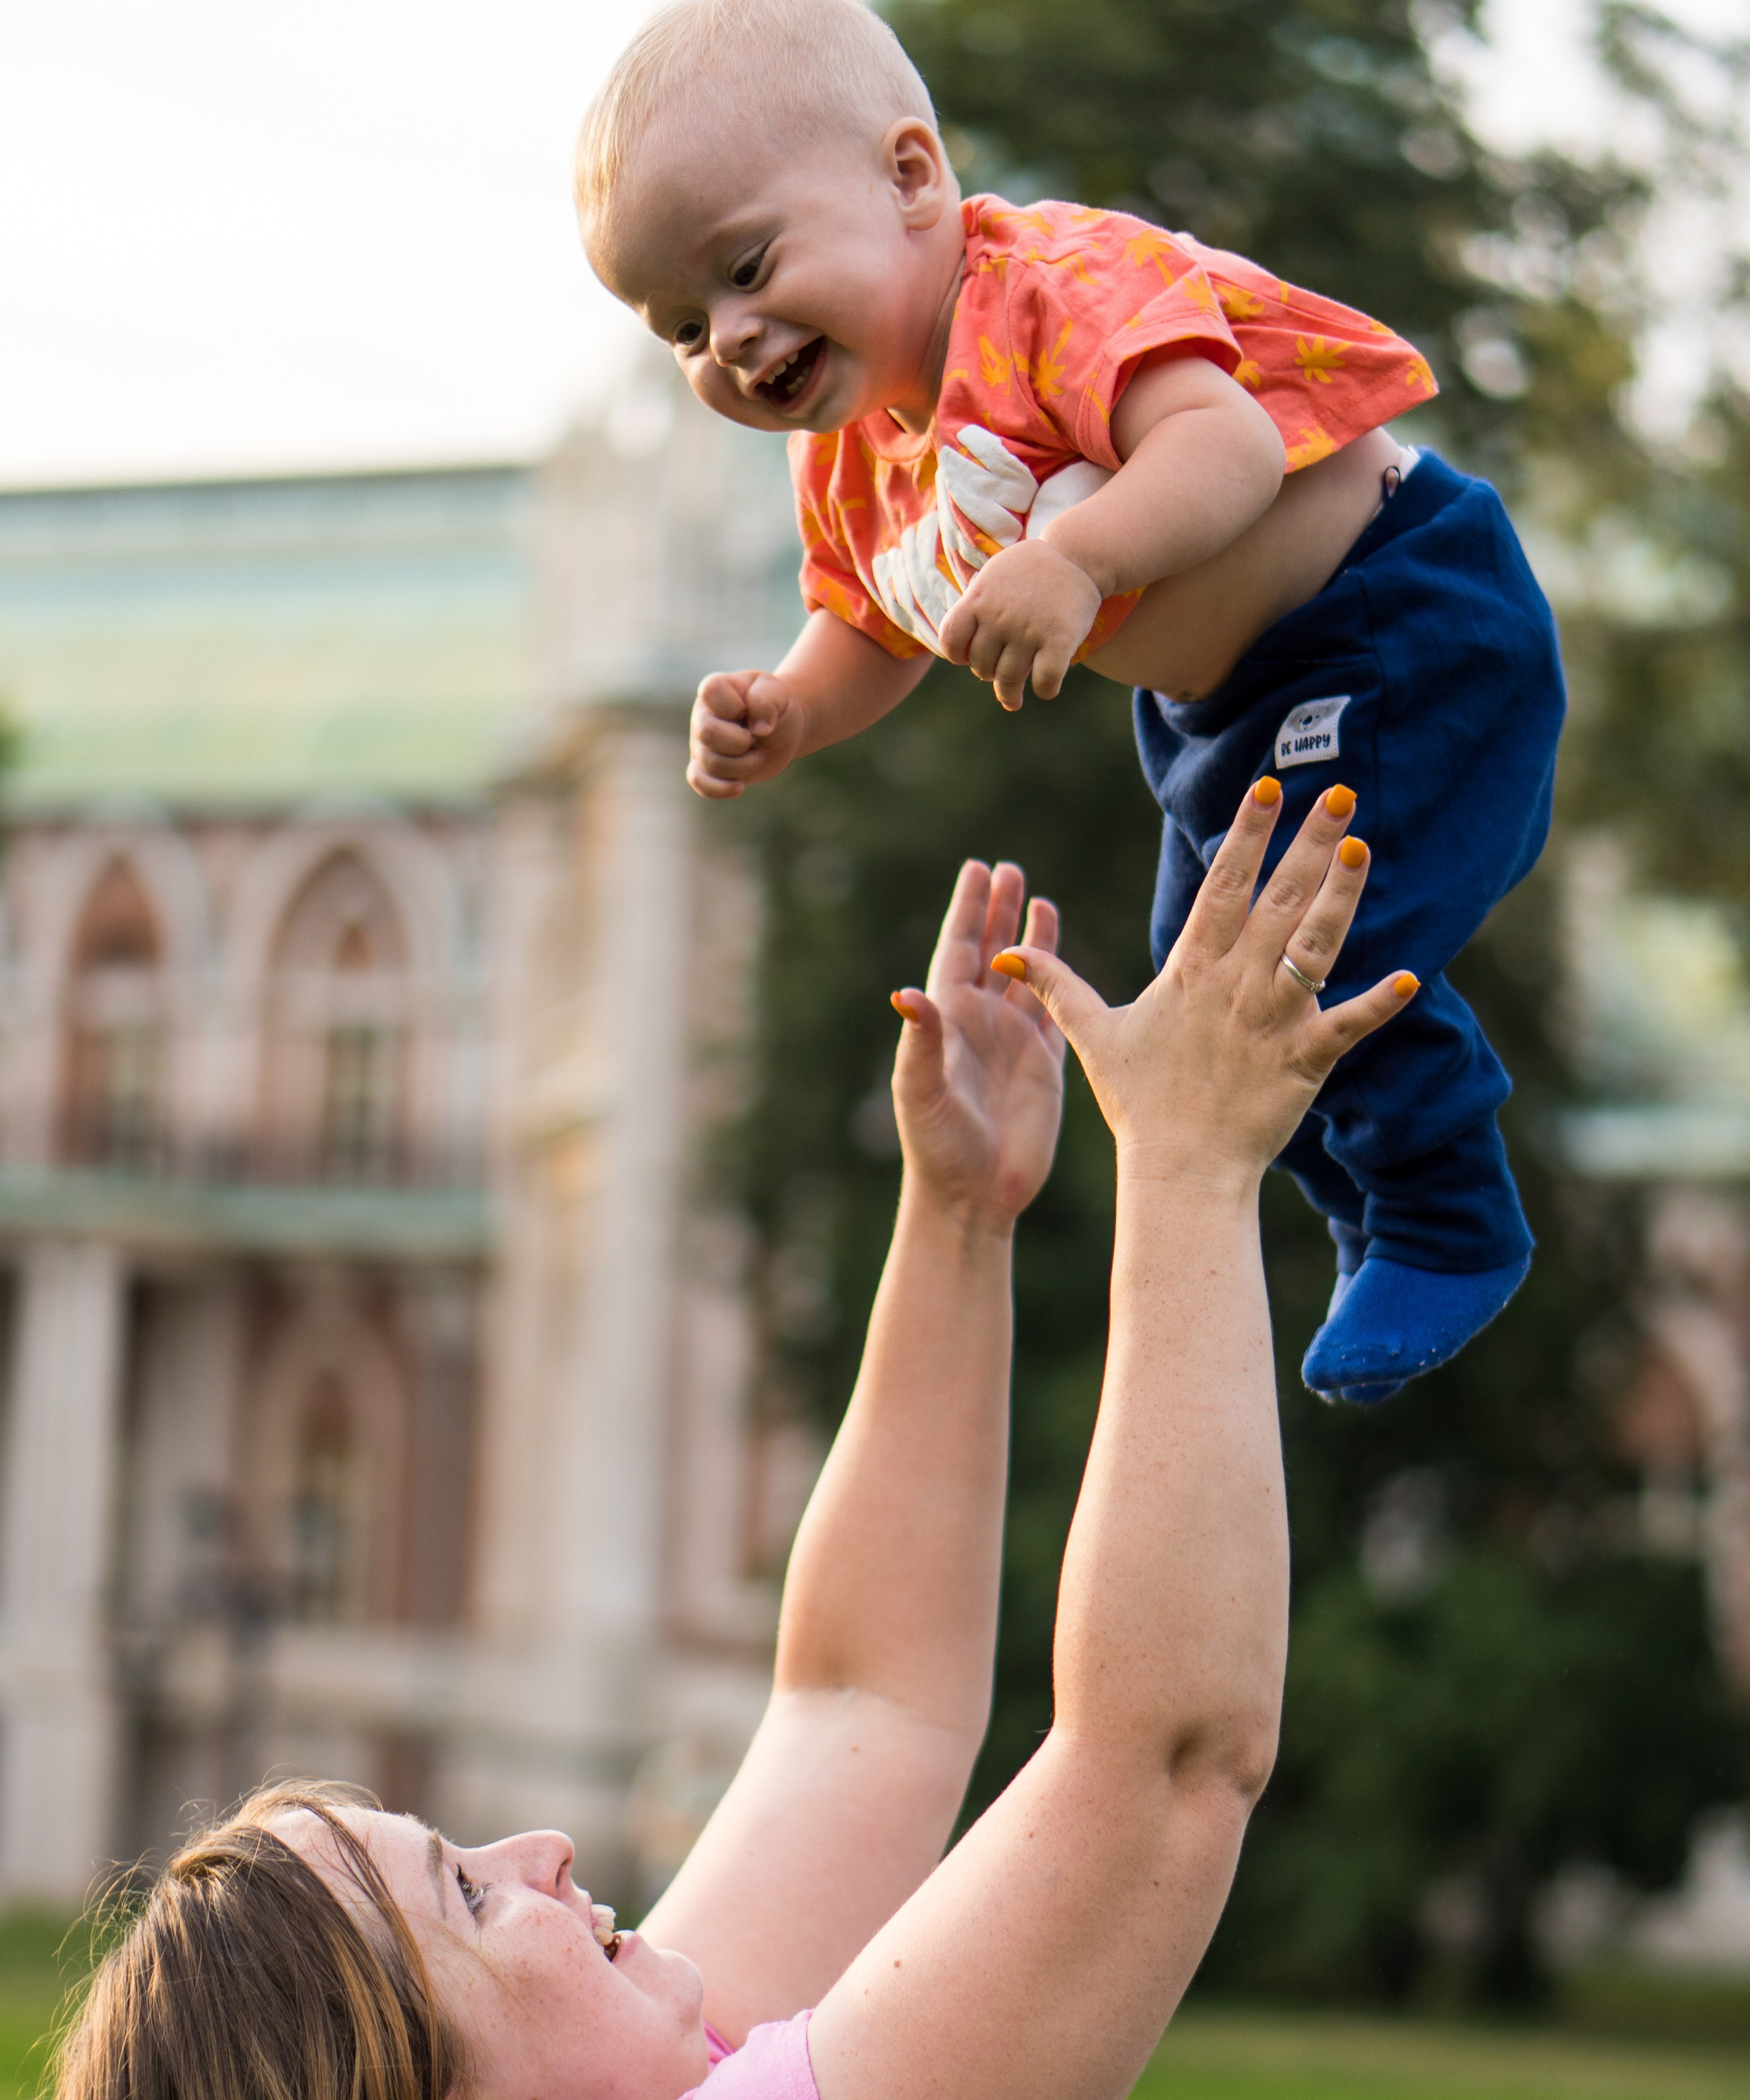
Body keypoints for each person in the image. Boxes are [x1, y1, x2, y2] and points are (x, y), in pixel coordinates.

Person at [0, 788, 1414, 2100]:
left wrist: (958, 1225)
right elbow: (1167, 1763)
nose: (549, 1846)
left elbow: (860, 1713)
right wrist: (1185, 1167)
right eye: (472, 1890)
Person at [573, 0, 1566, 1404]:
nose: (729, 339)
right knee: (1194, 1005)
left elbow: (1219, 444)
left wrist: (1074, 559)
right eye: (681, 324)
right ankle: (1367, 1220)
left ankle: (1446, 1219)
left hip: (1398, 619)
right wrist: (791, 710)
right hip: (1228, 707)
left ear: (909, 177)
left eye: (746, 266)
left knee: (1282, 961)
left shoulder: (1046, 286)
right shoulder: (855, 456)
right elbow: (870, 625)